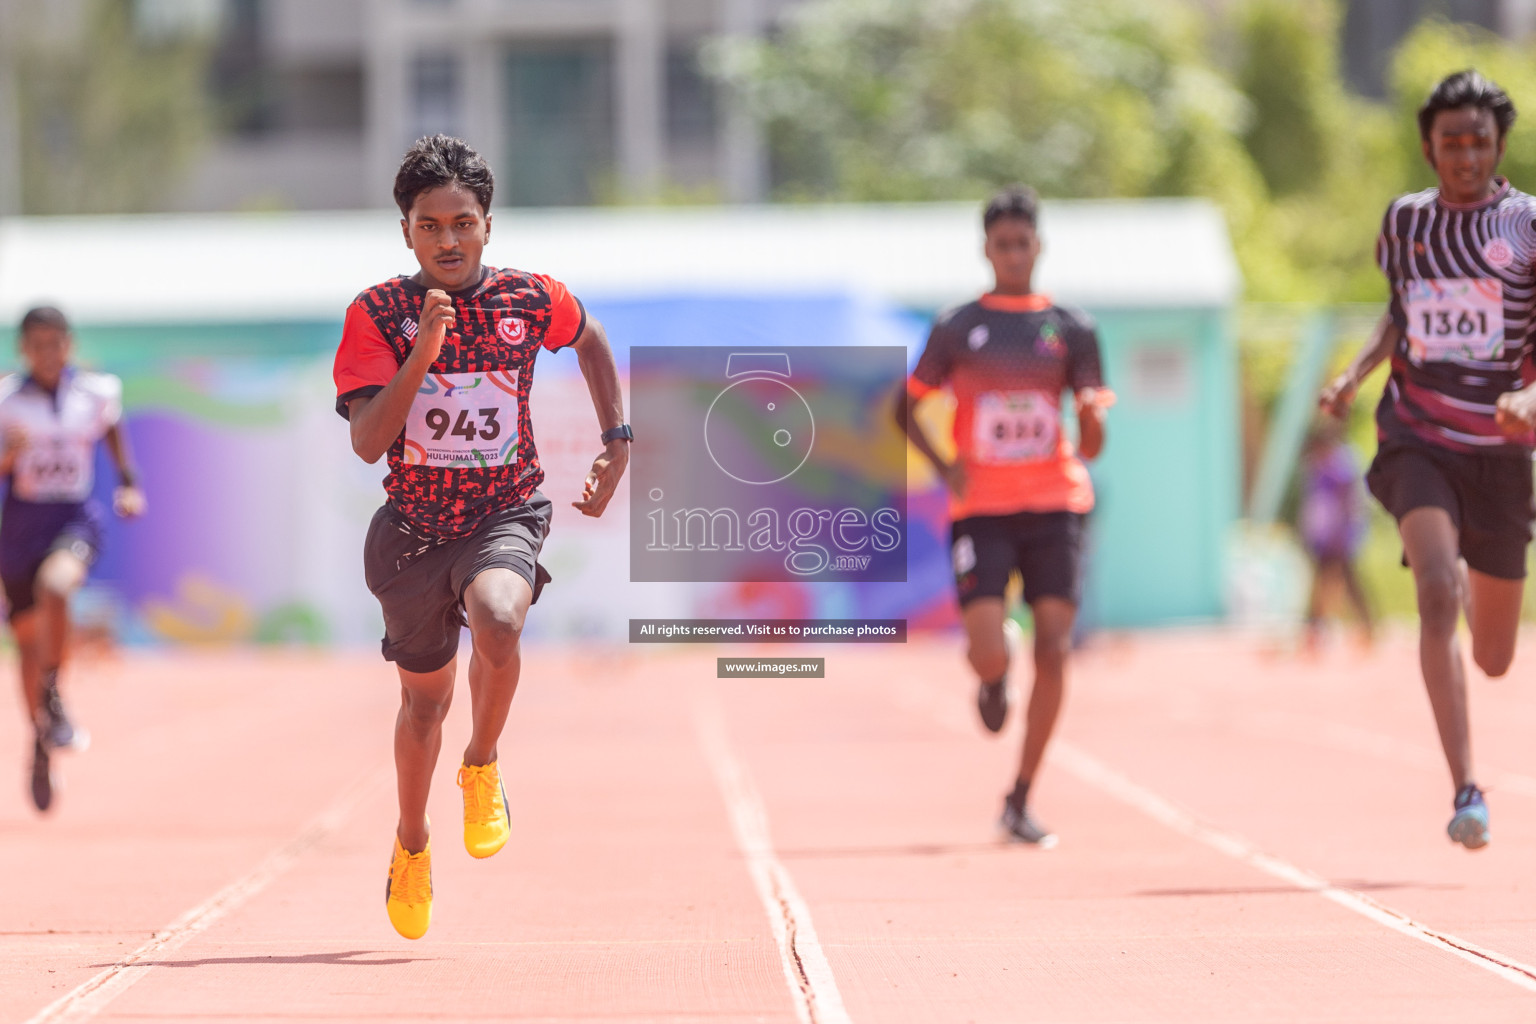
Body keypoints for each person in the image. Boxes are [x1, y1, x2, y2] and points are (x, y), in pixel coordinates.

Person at [333, 135, 629, 939]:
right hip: (412, 535)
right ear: (407, 232)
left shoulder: (530, 300)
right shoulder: (377, 315)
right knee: (421, 707)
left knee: (501, 616)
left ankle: (483, 762)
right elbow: (367, 441)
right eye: (431, 226)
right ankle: (412, 843)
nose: (449, 241)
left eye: (463, 223)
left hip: (505, 511)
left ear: (488, 225)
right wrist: (423, 349)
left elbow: (592, 338)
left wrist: (618, 437)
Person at [1321, 70, 1536, 850]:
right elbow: (1398, 312)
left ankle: (1480, 595)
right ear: (1429, 146)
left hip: (1504, 453)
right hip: (1418, 436)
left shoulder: (1527, 227)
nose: (1466, 155)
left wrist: (1531, 399)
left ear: (1498, 146)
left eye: (1479, 141)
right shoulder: (1406, 223)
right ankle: (1466, 789)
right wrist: (1355, 372)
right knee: (1436, 591)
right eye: (1452, 142)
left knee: (1496, 657)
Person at [895, 185, 1110, 847]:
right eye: (1002, 244)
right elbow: (905, 407)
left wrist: (1094, 422)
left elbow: (1095, 442)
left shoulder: (1073, 329)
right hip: (982, 507)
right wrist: (943, 464)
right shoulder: (958, 326)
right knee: (988, 650)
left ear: (1039, 246)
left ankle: (1020, 796)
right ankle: (996, 668)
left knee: (1055, 649)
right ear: (987, 249)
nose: (1014, 254)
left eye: (1024, 243)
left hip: (1055, 503)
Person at [0, 306, 145, 813]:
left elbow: (111, 428)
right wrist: (8, 457)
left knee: (58, 587)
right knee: (25, 644)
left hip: (74, 518)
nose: (47, 353)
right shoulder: (6, 399)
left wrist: (128, 484)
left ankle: (54, 697)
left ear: (68, 344)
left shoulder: (96, 392)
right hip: (19, 528)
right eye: (37, 345)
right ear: (23, 349)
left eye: (55, 343)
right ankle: (40, 740)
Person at [1297, 419, 1374, 651]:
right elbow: (1313, 504)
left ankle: (1365, 627)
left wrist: (1344, 532)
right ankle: (1314, 629)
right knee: (1324, 581)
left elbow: (1349, 502)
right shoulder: (1317, 465)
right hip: (1323, 534)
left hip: (1341, 534)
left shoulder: (1342, 464)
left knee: (1348, 582)